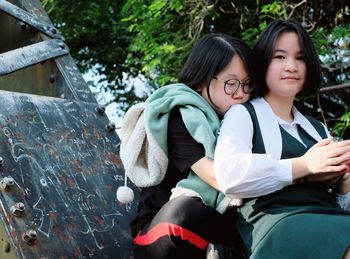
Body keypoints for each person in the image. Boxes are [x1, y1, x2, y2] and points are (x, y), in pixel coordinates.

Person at [212, 19, 350, 259]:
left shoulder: (316, 128)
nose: (291, 66)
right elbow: (229, 176)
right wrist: (304, 166)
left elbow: (340, 205)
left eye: (300, 58)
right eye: (279, 57)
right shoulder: (243, 114)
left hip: (329, 218)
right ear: (263, 62)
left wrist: (343, 183)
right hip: (277, 224)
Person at [120, 33, 254, 258]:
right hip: (162, 229)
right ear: (202, 81)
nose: (241, 93)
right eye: (231, 84)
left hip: (220, 224)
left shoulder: (247, 120)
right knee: (184, 212)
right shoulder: (181, 116)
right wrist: (296, 169)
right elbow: (220, 179)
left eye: (248, 84)